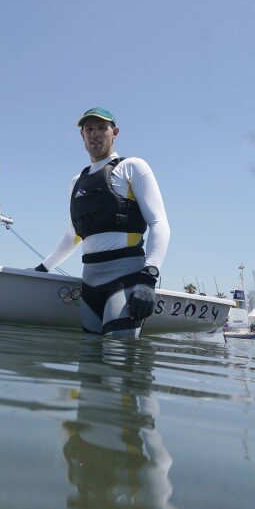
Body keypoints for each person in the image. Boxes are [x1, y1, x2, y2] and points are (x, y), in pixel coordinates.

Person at [34, 107, 170, 337]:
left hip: (125, 280)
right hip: (90, 285)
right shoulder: (77, 181)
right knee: (89, 365)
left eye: (101, 128)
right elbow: (72, 235)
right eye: (89, 129)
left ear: (114, 132)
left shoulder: (133, 167)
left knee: (116, 362)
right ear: (82, 135)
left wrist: (148, 278)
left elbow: (159, 224)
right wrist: (42, 269)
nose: (95, 134)